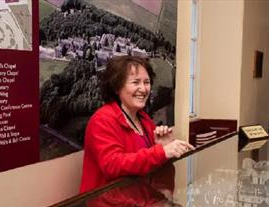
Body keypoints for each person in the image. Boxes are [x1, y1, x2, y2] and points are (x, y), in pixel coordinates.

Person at [80, 56, 194, 193]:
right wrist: (162, 151)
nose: (143, 89)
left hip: (138, 203)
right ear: (117, 87)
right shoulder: (102, 120)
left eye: (147, 82)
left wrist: (162, 146)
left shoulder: (144, 118)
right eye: (136, 82)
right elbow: (113, 166)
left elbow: (151, 163)